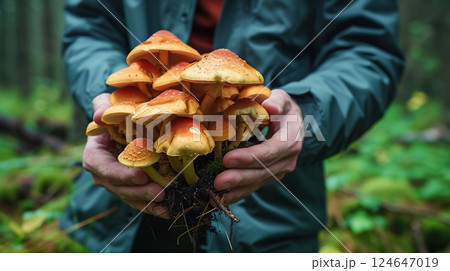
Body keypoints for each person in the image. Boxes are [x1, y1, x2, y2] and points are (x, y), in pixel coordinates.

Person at [61, 0, 404, 252]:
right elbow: (89, 29)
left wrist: (307, 107)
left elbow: (367, 49)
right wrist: (106, 101)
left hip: (273, 214)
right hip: (121, 213)